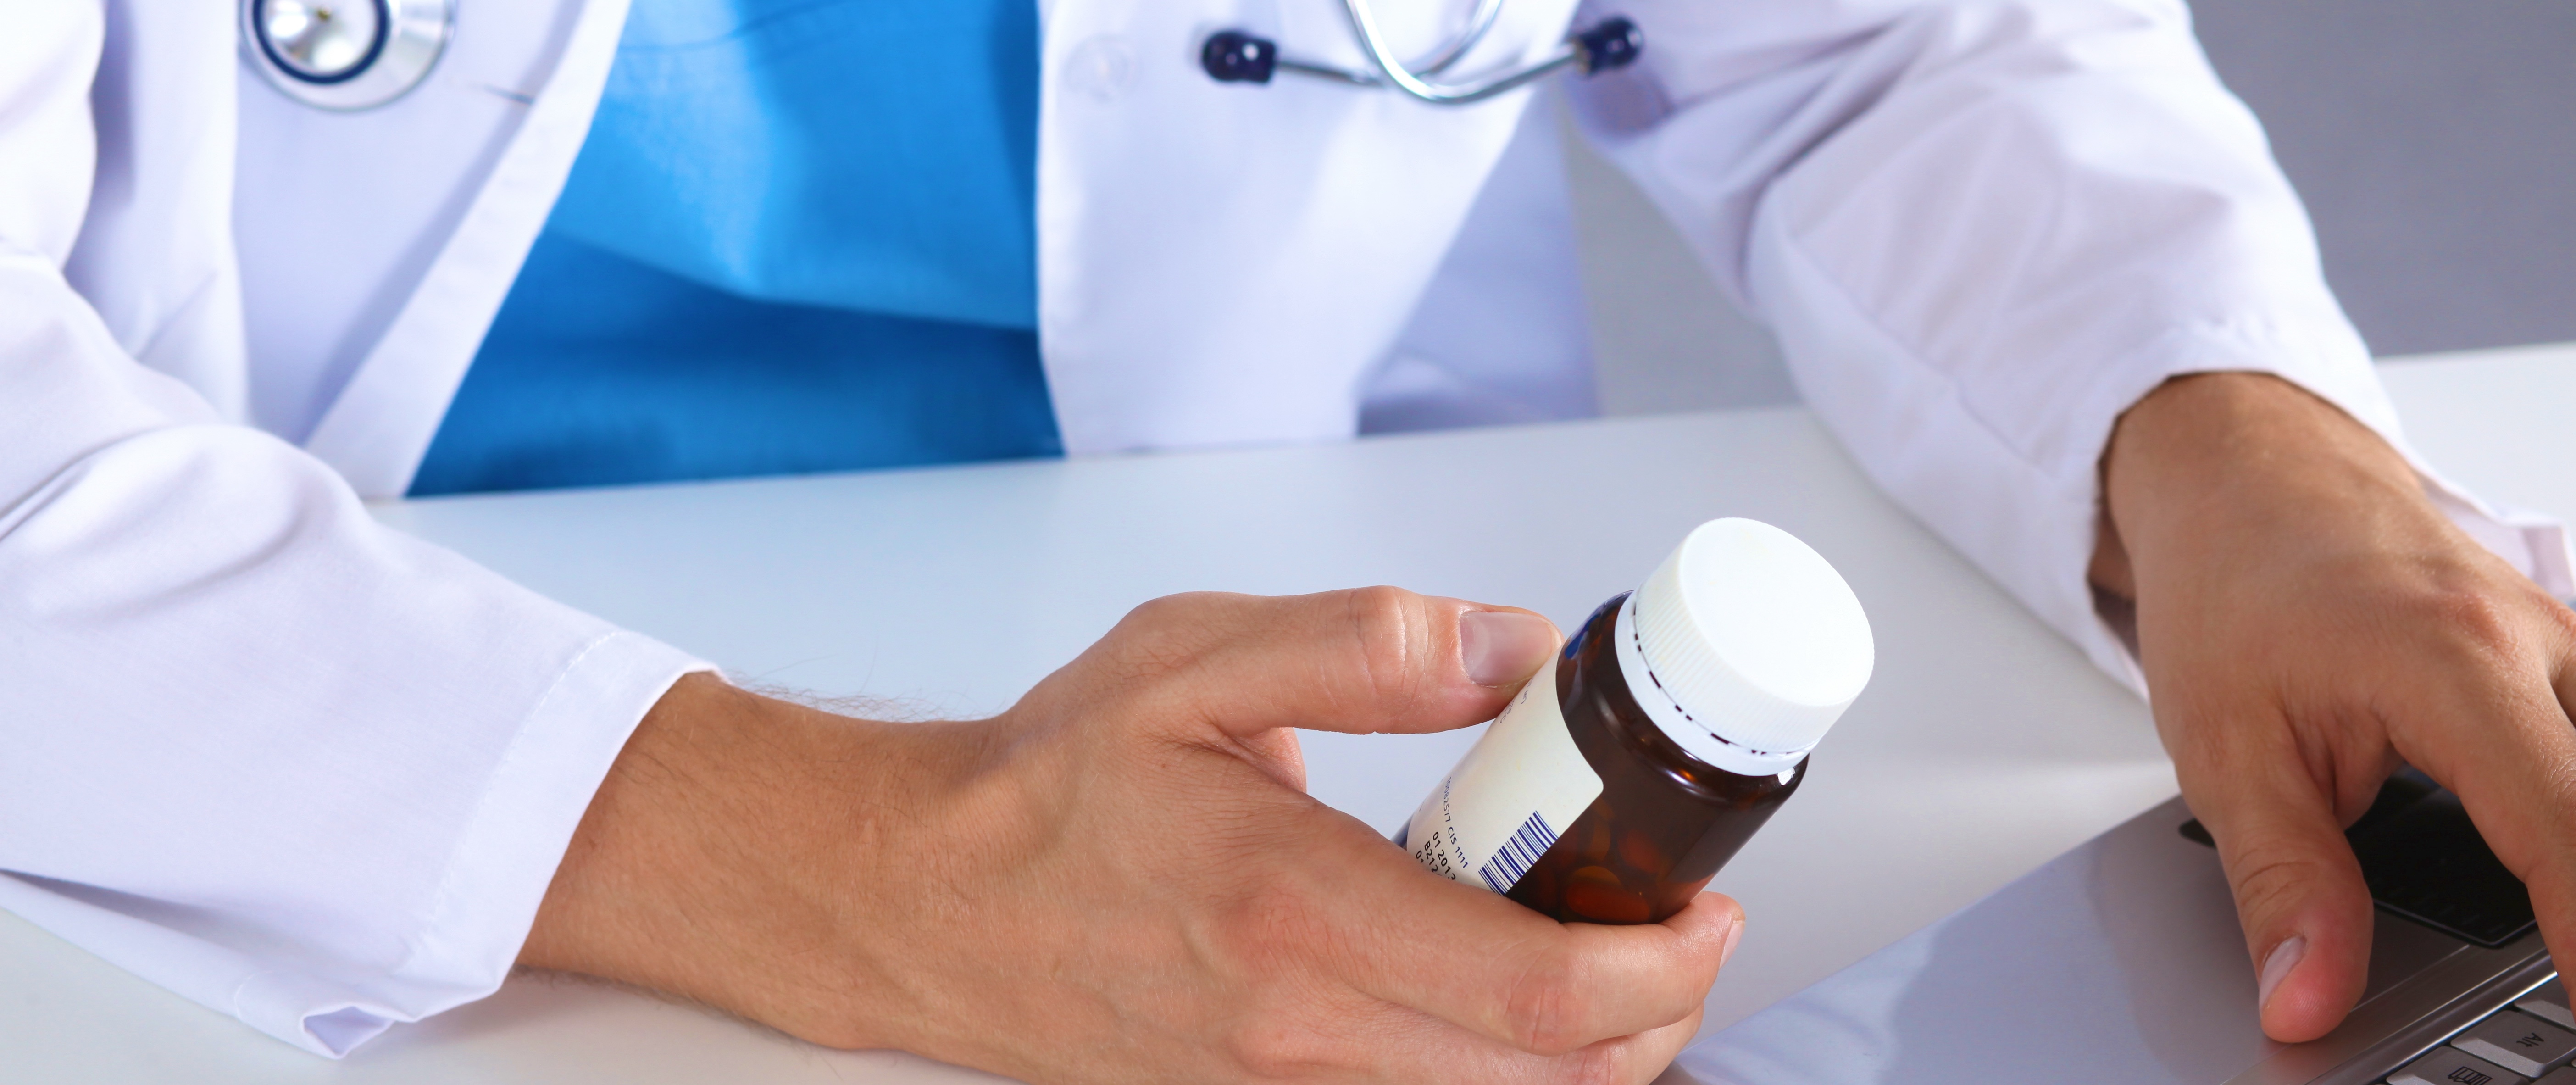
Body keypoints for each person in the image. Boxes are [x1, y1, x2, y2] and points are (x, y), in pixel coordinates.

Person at [4, 0, 2571, 1079]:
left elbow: (1890, 44)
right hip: (258, 734)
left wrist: (2224, 433)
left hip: (1298, 764)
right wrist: (869, 866)